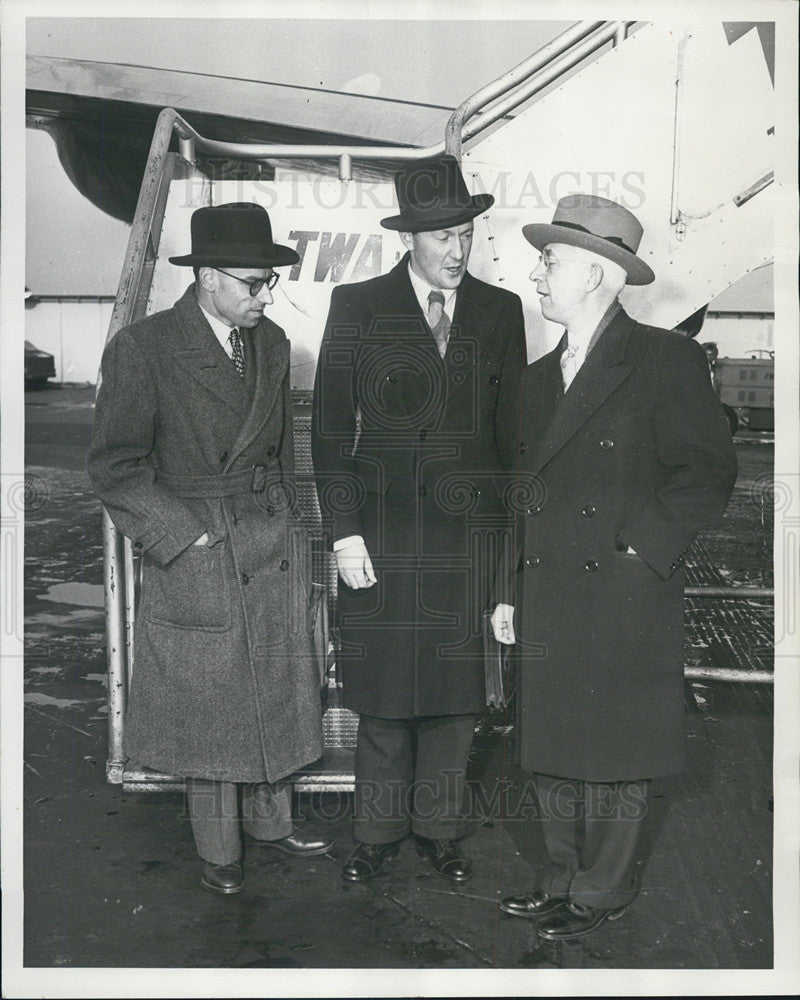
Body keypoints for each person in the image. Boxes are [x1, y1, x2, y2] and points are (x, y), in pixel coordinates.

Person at [491, 194, 737, 940]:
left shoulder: (665, 359)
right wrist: (507, 591)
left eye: (550, 261)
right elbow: (518, 496)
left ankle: (603, 889)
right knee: (549, 744)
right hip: (546, 589)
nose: (535, 274)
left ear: (596, 275)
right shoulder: (536, 378)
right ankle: (561, 875)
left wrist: (641, 551)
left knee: (616, 751)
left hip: (623, 591)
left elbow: (706, 473)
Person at [88, 202, 331, 896]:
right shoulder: (144, 348)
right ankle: (218, 849)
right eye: (252, 283)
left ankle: (271, 824)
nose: (264, 296)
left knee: (276, 684)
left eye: (268, 284)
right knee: (212, 698)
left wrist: (295, 529)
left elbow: (280, 451)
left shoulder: (275, 342)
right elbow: (114, 467)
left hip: (269, 533)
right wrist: (182, 536)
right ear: (206, 278)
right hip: (198, 541)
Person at [311, 154, 526, 884]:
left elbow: (509, 442)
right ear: (411, 238)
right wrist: (342, 531)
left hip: (468, 538)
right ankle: (375, 832)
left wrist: (504, 562)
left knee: (454, 697)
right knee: (380, 694)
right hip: (381, 535)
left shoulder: (501, 312)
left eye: (465, 234)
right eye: (441, 238)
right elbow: (331, 432)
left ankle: (439, 827)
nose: (457, 251)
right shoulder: (358, 305)